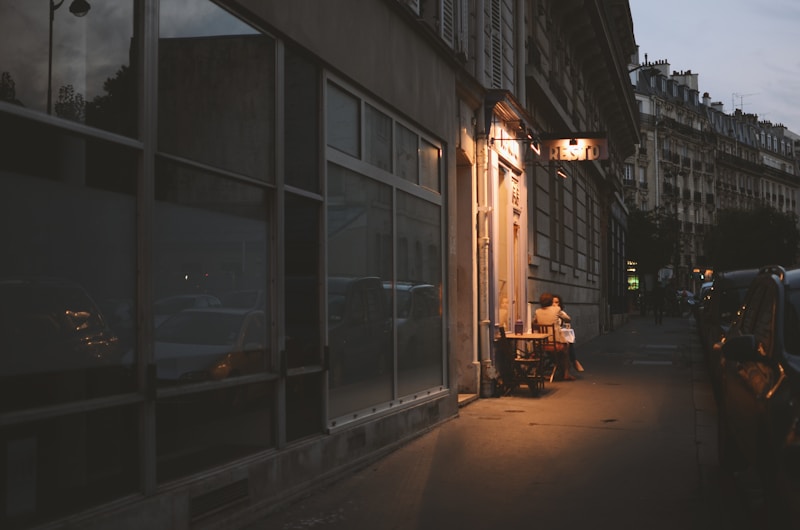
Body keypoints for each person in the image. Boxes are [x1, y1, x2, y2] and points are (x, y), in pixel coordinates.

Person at [533, 292, 575, 381]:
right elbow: (568, 319)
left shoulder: (537, 311)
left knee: (555, 351)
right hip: (556, 343)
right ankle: (566, 372)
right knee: (567, 348)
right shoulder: (556, 310)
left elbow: (534, 323)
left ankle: (557, 366)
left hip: (543, 344)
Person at [553, 294, 584, 373]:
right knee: (568, 343)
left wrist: (559, 312)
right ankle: (574, 361)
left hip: (554, 339)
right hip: (553, 341)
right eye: (553, 302)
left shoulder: (560, 313)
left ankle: (572, 362)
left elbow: (568, 319)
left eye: (556, 302)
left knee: (568, 341)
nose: (554, 304)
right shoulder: (547, 312)